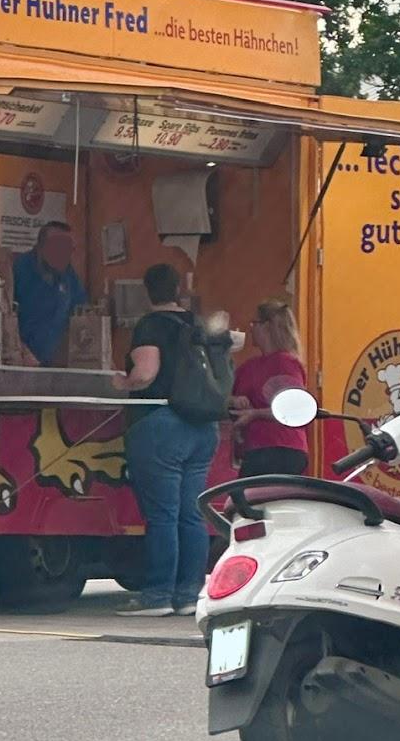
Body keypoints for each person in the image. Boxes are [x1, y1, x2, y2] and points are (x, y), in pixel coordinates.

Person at [112, 262, 230, 617]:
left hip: (162, 424)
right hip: (203, 426)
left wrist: (124, 382)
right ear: (179, 289)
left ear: (147, 291)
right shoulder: (197, 324)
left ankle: (158, 594)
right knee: (191, 515)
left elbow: (146, 374)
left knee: (163, 515)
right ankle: (189, 593)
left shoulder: (151, 325)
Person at [230, 299, 310, 478]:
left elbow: (294, 408)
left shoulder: (285, 363)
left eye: (254, 323)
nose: (251, 329)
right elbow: (228, 393)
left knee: (245, 497)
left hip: (281, 447)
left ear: (266, 326)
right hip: (257, 448)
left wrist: (254, 414)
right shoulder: (250, 366)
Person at [12, 221, 86, 365]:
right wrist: (22, 350)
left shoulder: (68, 274)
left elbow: (81, 312)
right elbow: (4, 315)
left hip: (58, 362)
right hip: (21, 361)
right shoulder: (20, 270)